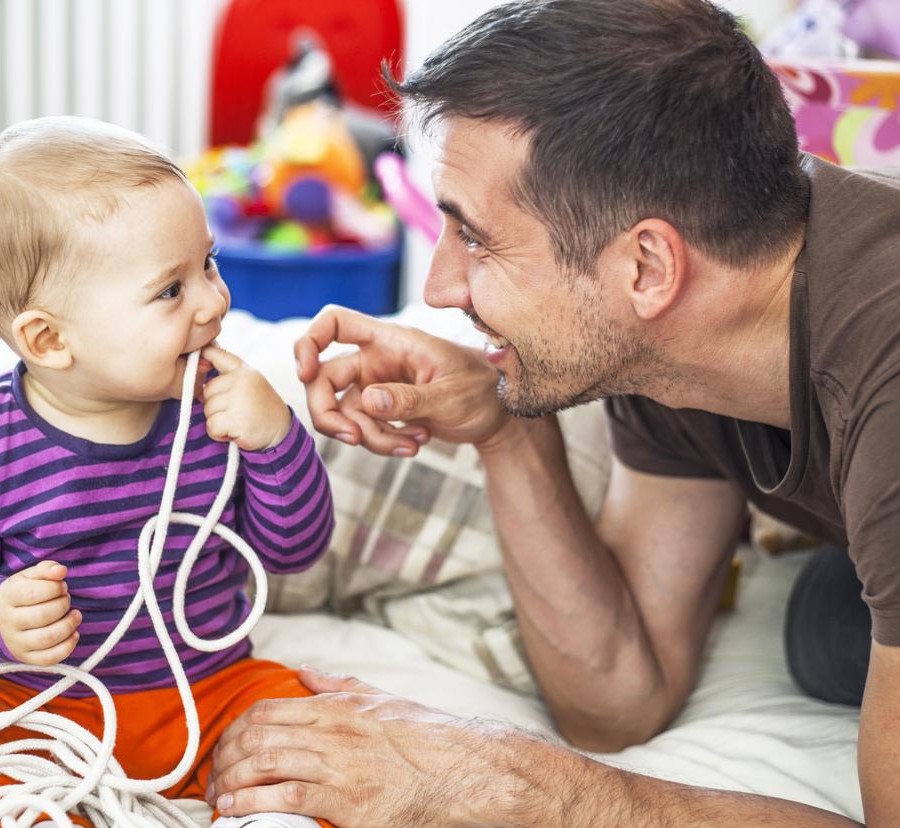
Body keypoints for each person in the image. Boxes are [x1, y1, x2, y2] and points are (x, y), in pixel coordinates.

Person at [203, 0, 898, 825]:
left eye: (476, 240)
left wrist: (504, 786)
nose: (436, 290)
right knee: (822, 630)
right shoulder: (669, 346)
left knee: (828, 634)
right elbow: (621, 699)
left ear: (647, 266)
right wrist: (506, 431)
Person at [0, 116, 336, 828]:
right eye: (171, 290)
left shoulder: (219, 408)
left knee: (312, 737)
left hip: (211, 687)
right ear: (49, 339)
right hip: (44, 702)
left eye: (210, 263)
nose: (213, 301)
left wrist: (276, 441)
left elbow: (293, 550)